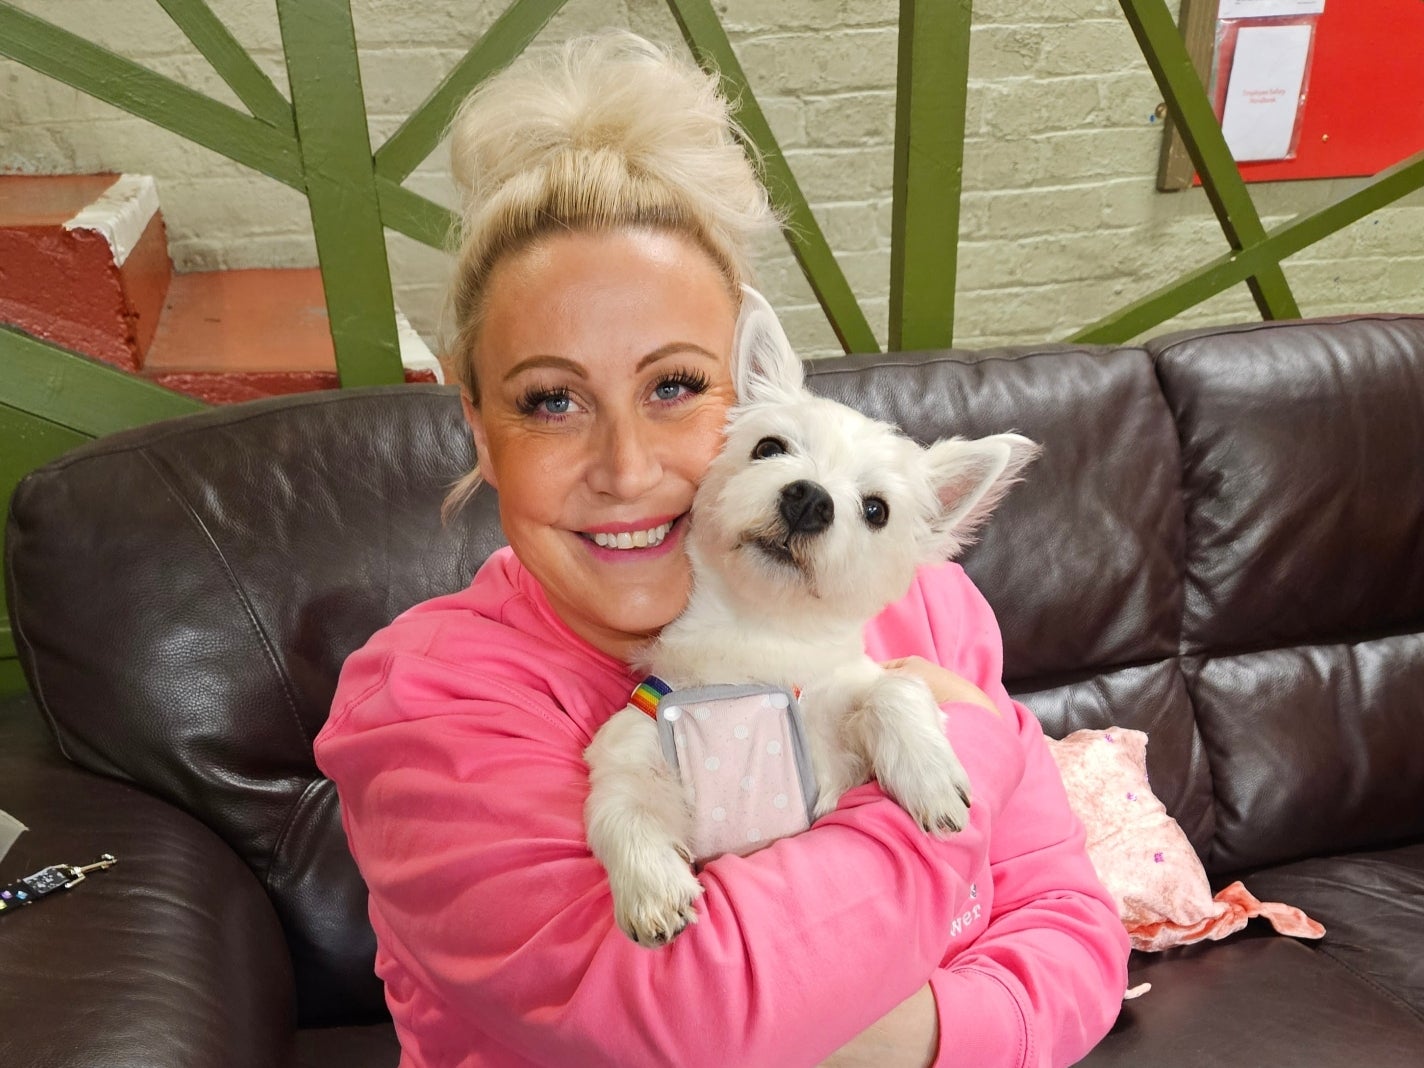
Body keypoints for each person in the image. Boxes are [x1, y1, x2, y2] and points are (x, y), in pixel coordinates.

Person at [314, 32, 1129, 1068]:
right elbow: (677, 1024)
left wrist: (876, 1032)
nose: (625, 468)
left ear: (745, 398)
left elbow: (1072, 934)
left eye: (672, 387)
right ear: (478, 425)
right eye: (550, 400)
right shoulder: (427, 706)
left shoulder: (925, 612)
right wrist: (960, 740)